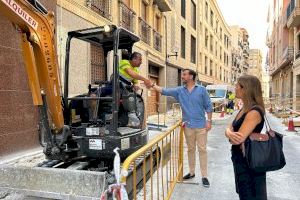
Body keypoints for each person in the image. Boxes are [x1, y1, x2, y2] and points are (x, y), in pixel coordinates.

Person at [152, 69, 213, 187]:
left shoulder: (202, 90)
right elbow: (164, 91)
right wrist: (153, 85)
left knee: (202, 150)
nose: (182, 76)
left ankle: (204, 176)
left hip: (201, 126)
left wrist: (209, 121)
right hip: (188, 126)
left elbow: (208, 106)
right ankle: (191, 172)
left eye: (184, 74)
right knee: (190, 149)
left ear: (191, 76)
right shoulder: (180, 90)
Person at [225, 75, 267, 200]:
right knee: (243, 193)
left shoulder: (254, 112)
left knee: (250, 194)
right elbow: (230, 127)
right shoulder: (244, 108)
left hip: (249, 162)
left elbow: (236, 139)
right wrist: (228, 132)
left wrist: (229, 133)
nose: (235, 88)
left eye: (237, 85)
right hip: (240, 159)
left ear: (245, 89)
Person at [119, 52, 153, 127]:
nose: (141, 62)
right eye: (140, 60)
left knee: (137, 98)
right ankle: (132, 116)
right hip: (116, 86)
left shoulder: (136, 70)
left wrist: (136, 87)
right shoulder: (124, 62)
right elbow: (130, 73)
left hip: (126, 90)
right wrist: (145, 79)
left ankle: (136, 119)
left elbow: (135, 83)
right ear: (134, 59)